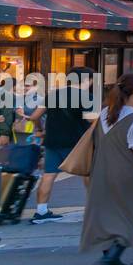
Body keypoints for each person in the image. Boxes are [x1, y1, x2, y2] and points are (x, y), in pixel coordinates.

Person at [80, 73, 133, 265]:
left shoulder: (105, 113)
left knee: (106, 215)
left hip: (101, 171)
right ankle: (110, 259)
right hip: (127, 174)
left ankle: (112, 259)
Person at [29, 68, 93, 225]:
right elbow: (94, 122)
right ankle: (94, 209)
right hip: (78, 143)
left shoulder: (52, 94)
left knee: (49, 175)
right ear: (86, 80)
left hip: (53, 140)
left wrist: (40, 129)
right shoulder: (88, 97)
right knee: (88, 174)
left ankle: (41, 212)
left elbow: (34, 116)